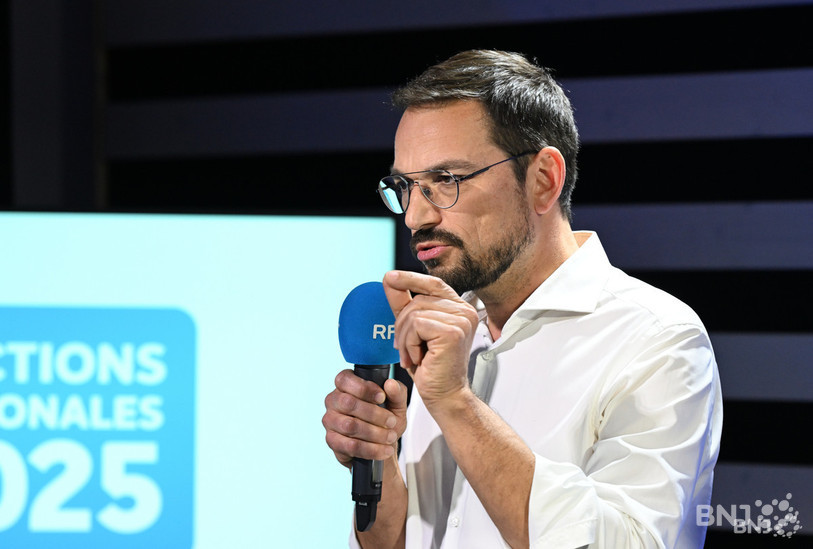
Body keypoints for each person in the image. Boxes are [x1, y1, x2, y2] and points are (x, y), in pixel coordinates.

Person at [322, 49, 722, 549]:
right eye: (406, 186)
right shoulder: (450, 325)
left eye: (446, 180)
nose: (414, 217)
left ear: (543, 180)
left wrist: (456, 404)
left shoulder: (656, 339)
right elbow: (406, 541)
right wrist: (379, 455)